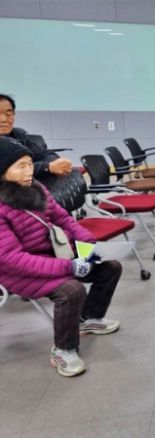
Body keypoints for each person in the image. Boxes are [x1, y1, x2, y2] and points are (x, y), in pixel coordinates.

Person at [0, 137, 122, 377]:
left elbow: (63, 219)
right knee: (71, 290)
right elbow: (11, 259)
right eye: (20, 166)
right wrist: (69, 267)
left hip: (55, 254)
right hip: (18, 270)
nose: (28, 171)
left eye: (29, 164)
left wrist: (86, 247)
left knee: (110, 266)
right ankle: (64, 350)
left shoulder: (36, 188)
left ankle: (89, 318)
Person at [0, 93, 73, 179]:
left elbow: (43, 154)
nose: (3, 119)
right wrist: (47, 167)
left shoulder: (19, 134)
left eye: (8, 114)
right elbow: (9, 170)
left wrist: (56, 162)